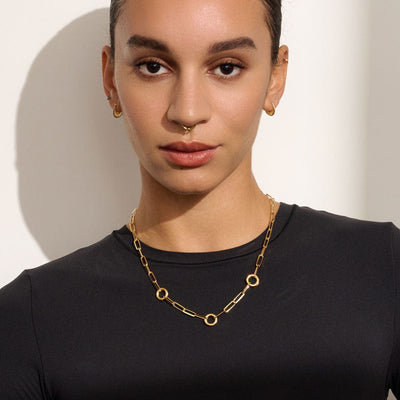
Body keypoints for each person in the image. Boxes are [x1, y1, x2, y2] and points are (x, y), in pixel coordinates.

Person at [0, 0, 399, 399]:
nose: (187, 111)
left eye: (226, 67)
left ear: (275, 78)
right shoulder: (29, 320)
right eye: (153, 66)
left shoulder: (381, 268)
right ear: (110, 79)